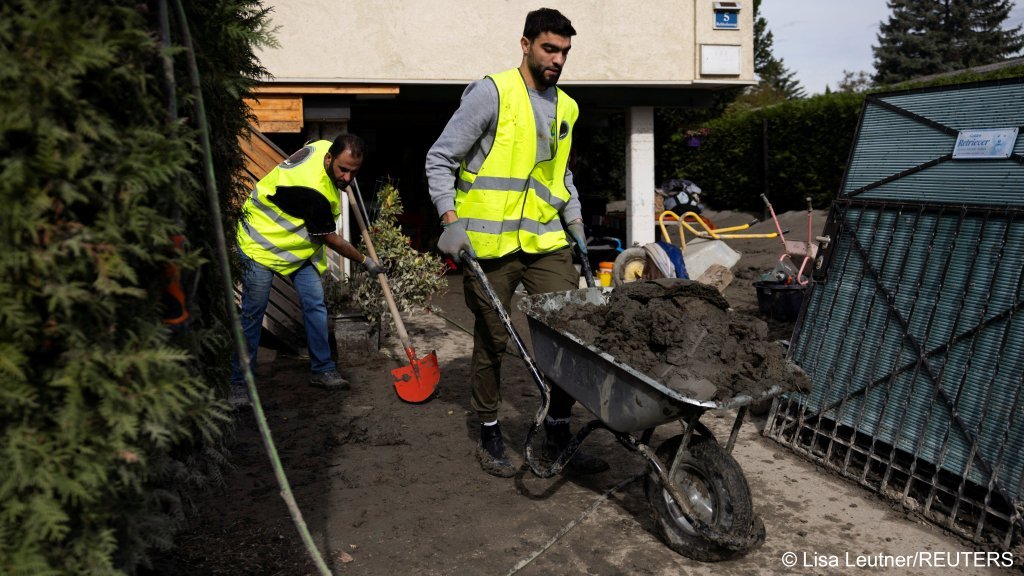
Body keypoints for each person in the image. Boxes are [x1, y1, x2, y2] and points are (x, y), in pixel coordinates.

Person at [425, 8, 608, 477]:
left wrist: (577, 223)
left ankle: (559, 432)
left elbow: (559, 172)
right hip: (488, 245)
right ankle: (489, 430)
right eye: (550, 48)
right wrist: (451, 220)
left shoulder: (566, 106)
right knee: (493, 338)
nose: (558, 60)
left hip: (546, 239)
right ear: (525, 45)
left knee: (571, 332)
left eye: (565, 52)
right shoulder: (493, 93)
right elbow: (441, 158)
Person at [231, 134, 383, 407]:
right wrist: (365, 261)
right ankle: (238, 385)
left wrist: (340, 175)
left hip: (295, 249)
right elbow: (330, 238)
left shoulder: (323, 146)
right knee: (253, 314)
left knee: (315, 304)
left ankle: (322, 370)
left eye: (354, 172)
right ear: (329, 159)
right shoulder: (313, 190)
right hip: (260, 243)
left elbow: (311, 144)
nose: (347, 179)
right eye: (343, 170)